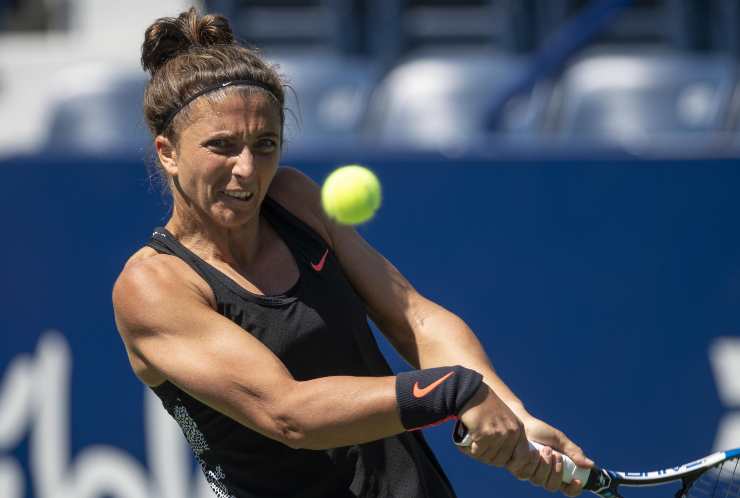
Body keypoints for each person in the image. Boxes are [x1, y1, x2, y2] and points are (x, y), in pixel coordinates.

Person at [112, 7, 593, 498]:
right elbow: (290, 414)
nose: (247, 169)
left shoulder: (295, 200)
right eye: (222, 146)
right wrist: (453, 391)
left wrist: (514, 414)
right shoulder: (153, 288)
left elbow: (411, 315)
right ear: (168, 151)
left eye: (265, 144)